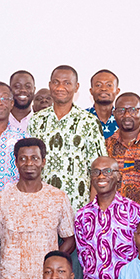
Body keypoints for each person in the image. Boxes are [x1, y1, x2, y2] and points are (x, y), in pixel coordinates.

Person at [0, 138, 75, 279]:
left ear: (43, 162)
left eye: (35, 158)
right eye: (23, 158)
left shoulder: (58, 197)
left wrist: (53, 264)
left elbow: (70, 238)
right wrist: (5, 264)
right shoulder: (0, 199)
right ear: (15, 162)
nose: (29, 163)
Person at [28, 65, 107, 213]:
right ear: (50, 85)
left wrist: (92, 209)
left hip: (77, 206)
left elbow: (98, 168)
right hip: (41, 206)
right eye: (56, 82)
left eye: (67, 83)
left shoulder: (89, 122)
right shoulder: (36, 121)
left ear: (76, 87)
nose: (60, 87)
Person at [75, 156, 140, 279]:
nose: (101, 176)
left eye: (107, 171)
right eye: (96, 172)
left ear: (118, 176)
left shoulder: (134, 211)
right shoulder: (82, 215)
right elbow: (83, 258)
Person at [87, 69, 120, 139]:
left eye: (109, 85)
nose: (104, 89)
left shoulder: (123, 119)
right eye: (98, 85)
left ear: (117, 91)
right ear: (91, 91)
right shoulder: (80, 118)